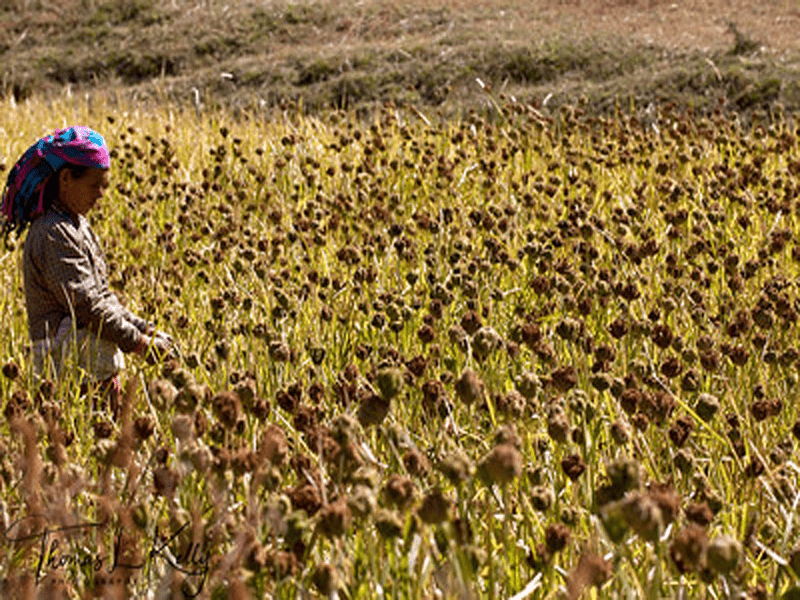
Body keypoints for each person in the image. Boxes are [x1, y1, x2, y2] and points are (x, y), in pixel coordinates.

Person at [2, 126, 173, 415]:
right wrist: (139, 342)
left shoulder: (76, 225)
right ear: (66, 179)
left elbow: (102, 296)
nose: (102, 194)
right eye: (96, 185)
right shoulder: (52, 233)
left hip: (92, 367)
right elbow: (86, 304)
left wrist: (143, 327)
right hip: (70, 374)